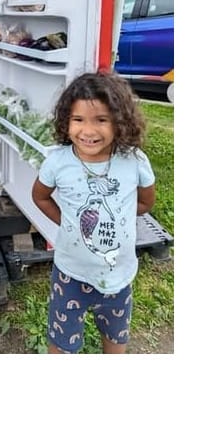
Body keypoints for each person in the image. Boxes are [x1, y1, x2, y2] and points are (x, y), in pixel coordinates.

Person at [31, 71, 155, 354]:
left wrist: (114, 218)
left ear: (120, 121)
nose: (88, 131)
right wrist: (70, 222)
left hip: (119, 276)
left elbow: (146, 202)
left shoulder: (133, 160)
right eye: (78, 120)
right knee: (61, 346)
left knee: (116, 339)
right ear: (66, 121)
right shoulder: (57, 162)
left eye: (101, 120)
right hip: (70, 276)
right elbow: (40, 197)